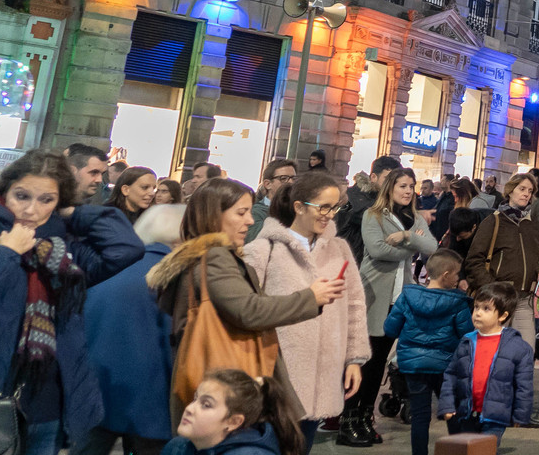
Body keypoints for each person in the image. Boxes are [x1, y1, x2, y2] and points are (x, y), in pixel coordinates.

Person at [0, 148, 145, 455]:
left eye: (47, 199)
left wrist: (74, 213)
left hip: (48, 403)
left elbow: (125, 249)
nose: (32, 209)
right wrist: (6, 254)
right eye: (22, 196)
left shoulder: (62, 250)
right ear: (5, 192)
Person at [148, 179, 342, 426]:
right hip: (227, 380)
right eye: (241, 213)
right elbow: (249, 311)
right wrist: (310, 298)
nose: (250, 221)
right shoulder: (216, 257)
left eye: (249, 212)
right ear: (212, 215)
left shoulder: (202, 255)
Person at [241, 171, 367, 450]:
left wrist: (354, 358)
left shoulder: (339, 249)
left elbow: (355, 306)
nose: (330, 214)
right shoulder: (264, 250)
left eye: (335, 207)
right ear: (298, 206)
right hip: (276, 374)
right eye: (323, 207)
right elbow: (247, 309)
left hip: (325, 371)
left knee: (302, 445)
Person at [81, 202, 182, 455]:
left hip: (95, 391)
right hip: (150, 402)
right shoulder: (171, 278)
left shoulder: (107, 267)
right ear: (180, 238)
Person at [349, 167, 436, 442]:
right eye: (402, 185)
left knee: (379, 364)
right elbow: (377, 250)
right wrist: (413, 246)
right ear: (390, 187)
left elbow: (432, 247)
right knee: (365, 360)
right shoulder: (372, 215)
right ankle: (349, 420)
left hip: (398, 299)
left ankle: (365, 417)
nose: (408, 191)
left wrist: (407, 236)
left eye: (411, 186)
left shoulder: (414, 218)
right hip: (374, 294)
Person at [383, 251, 474, 455]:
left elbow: (390, 329)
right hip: (446, 367)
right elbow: (467, 336)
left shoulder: (407, 297)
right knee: (453, 414)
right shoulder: (458, 303)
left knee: (420, 417)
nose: (459, 278)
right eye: (457, 274)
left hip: (413, 366)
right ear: (446, 274)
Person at [438, 283, 533, 444]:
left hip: (496, 416)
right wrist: (447, 405)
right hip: (466, 413)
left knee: (485, 450)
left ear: (502, 316)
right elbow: (451, 375)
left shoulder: (518, 347)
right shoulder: (467, 341)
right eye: (476, 307)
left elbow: (524, 385)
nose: (478, 313)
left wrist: (521, 414)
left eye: (486, 309)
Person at [460, 177, 539, 345]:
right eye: (522, 189)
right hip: (498, 299)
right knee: (492, 350)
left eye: (530, 191)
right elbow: (474, 259)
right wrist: (491, 286)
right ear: (510, 190)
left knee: (526, 350)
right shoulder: (494, 221)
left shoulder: (532, 223)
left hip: (524, 298)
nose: (526, 194)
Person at [161, 369, 303, 455]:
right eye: (195, 399)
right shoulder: (178, 446)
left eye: (206, 405)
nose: (189, 409)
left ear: (233, 422)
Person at [336, 157, 401, 261]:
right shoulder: (354, 197)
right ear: (374, 177)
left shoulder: (383, 199)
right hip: (347, 262)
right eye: (387, 179)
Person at [246, 161, 297, 244]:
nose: (291, 182)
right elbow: (256, 240)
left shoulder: (299, 209)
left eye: (294, 179)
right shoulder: (255, 212)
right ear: (267, 184)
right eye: (283, 178)